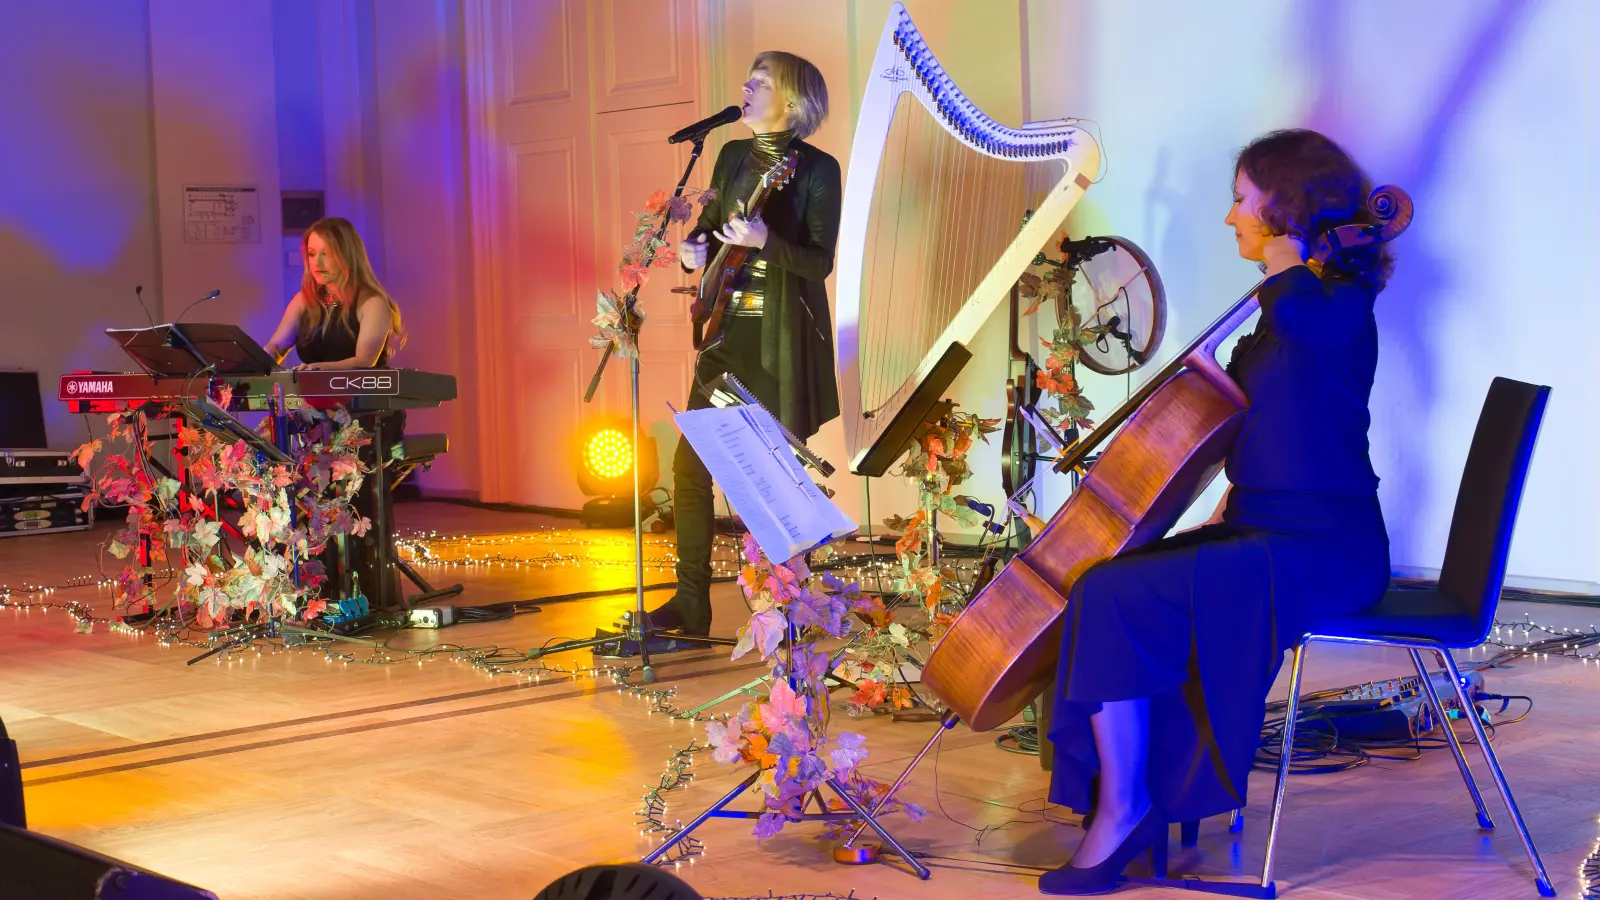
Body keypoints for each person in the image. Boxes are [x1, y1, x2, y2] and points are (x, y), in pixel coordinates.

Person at [1039, 129, 1394, 895]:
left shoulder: (1336, 304)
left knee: (1116, 594)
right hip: (1266, 531)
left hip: (1325, 551)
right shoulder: (1289, 306)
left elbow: (1308, 331)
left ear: (1285, 206)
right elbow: (1276, 418)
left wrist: (1285, 257)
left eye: (1242, 200)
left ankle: (1128, 807)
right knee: (1109, 581)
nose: (1231, 217)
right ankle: (1141, 795)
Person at [642, 51, 842, 637]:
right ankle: (691, 602)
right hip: (724, 332)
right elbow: (708, 232)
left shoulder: (818, 169)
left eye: (760, 82)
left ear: (792, 101)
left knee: (769, 478)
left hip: (779, 340)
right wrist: (693, 251)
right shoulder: (730, 154)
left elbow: (819, 262)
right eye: (748, 80)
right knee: (689, 465)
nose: (746, 88)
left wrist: (764, 241)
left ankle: (784, 609)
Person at [263, 217, 408, 608]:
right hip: (316, 420)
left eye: (326, 253)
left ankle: (362, 595)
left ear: (348, 254)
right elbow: (274, 348)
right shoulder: (304, 303)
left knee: (345, 491)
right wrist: (243, 362)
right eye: (312, 254)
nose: (317, 262)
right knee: (279, 475)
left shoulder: (372, 302)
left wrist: (316, 369)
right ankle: (307, 592)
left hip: (367, 420)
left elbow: (364, 360)